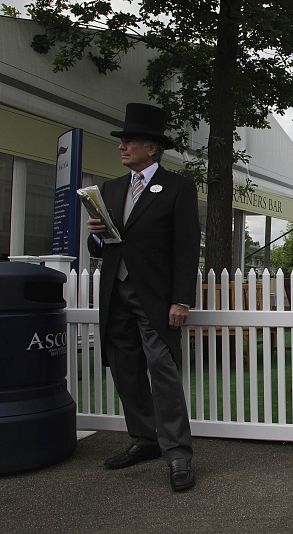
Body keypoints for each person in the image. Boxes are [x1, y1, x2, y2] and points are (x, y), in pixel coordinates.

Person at [86, 103, 200, 492]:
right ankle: (145, 439)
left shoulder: (178, 188)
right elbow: (100, 246)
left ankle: (179, 452)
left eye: (129, 140)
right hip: (114, 293)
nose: (122, 147)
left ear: (151, 148)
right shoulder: (110, 189)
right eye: (122, 141)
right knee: (125, 367)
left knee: (161, 370)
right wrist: (96, 234)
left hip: (155, 297)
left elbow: (187, 248)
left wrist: (181, 299)